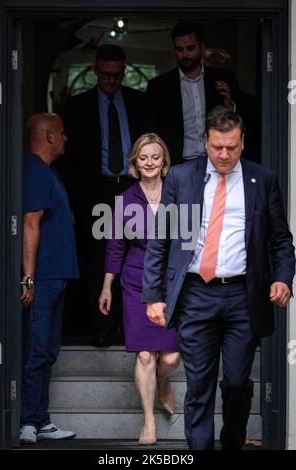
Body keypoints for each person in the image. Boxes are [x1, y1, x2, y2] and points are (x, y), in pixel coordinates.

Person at [142, 107, 295, 450]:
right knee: (199, 385)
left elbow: (281, 239)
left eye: (231, 147)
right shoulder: (181, 177)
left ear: (242, 143)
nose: (224, 155)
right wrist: (153, 295)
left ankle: (231, 443)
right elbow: (160, 239)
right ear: (206, 143)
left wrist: (283, 278)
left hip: (243, 295)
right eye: (217, 147)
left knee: (239, 384)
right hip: (196, 294)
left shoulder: (263, 179)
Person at [60, 44, 145, 347]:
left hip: (133, 187)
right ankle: (104, 327)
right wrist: (72, 201)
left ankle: (128, 324)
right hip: (95, 191)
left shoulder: (139, 102)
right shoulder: (78, 106)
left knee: (135, 254)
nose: (111, 80)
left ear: (124, 70)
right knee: (98, 258)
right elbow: (67, 159)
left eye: (117, 74)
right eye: (106, 74)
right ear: (96, 70)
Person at [99, 133, 181, 445]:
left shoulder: (178, 194)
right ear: (135, 162)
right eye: (143, 158)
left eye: (155, 157)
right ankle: (149, 421)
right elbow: (115, 247)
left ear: (164, 162)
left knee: (171, 357)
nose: (149, 163)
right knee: (145, 354)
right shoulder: (125, 200)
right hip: (135, 280)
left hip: (171, 282)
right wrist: (107, 286)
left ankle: (162, 382)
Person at [20, 113, 79, 444]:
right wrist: (29, 277)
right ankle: (27, 421)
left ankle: (41, 419)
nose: (66, 139)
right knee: (35, 350)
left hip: (57, 275)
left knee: (48, 350)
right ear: (48, 137)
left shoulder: (47, 171)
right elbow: (30, 223)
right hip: (42, 278)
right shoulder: (33, 169)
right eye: (62, 133)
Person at [144, 21, 240, 164]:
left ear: (201, 47)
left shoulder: (223, 79)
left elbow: (241, 124)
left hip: (217, 162)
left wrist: (229, 104)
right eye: (179, 49)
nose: (185, 55)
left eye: (190, 48)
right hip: (176, 165)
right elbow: (151, 132)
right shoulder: (158, 86)